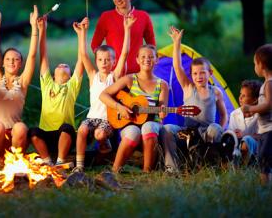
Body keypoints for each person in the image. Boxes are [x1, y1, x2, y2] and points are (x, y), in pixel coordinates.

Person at [74, 14, 136, 172]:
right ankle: (79, 166)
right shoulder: (93, 76)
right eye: (100, 60)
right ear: (96, 61)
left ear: (113, 62)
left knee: (99, 134)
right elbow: (83, 55)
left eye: (108, 60)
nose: (104, 63)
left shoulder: (114, 77)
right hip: (91, 117)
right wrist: (82, 34)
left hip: (108, 119)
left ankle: (104, 143)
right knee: (81, 130)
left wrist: (127, 29)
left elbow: (125, 53)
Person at [163, 26, 228, 173]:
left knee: (215, 128)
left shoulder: (216, 92)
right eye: (195, 74)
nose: (199, 77)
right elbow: (177, 66)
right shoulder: (188, 87)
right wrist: (177, 42)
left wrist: (221, 129)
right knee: (167, 129)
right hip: (188, 132)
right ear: (191, 75)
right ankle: (172, 168)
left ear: (210, 73)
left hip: (207, 132)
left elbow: (224, 114)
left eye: (202, 73)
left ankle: (211, 160)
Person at [100, 45, 169, 173]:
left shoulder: (163, 84)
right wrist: (119, 107)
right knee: (132, 132)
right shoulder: (129, 79)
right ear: (137, 59)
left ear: (156, 59)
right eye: (143, 57)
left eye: (150, 57)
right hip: (130, 122)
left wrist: (163, 111)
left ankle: (147, 171)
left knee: (148, 126)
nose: (146, 59)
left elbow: (161, 110)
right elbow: (103, 95)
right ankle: (115, 170)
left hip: (153, 124)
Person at [0, 6, 38, 170]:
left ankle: (15, 165)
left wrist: (34, 28)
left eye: (16, 59)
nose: (11, 62)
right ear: (3, 62)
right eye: (8, 59)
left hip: (15, 138)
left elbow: (32, 55)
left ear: (20, 64)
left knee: (21, 127)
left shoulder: (22, 82)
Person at [29, 17, 84, 166]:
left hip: (65, 136)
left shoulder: (72, 86)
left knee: (67, 128)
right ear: (52, 75)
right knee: (33, 132)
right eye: (59, 65)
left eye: (66, 66)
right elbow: (43, 55)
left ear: (71, 75)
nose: (62, 65)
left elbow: (81, 60)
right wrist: (43, 30)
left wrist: (81, 35)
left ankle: (60, 161)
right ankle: (47, 161)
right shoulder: (47, 83)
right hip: (46, 135)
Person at [91, 0, 156, 74]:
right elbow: (95, 45)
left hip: (138, 74)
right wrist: (104, 63)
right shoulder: (106, 17)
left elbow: (152, 46)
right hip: (114, 75)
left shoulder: (143, 16)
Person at [242, 44, 272, 185]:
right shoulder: (267, 83)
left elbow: (269, 104)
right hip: (265, 129)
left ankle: (265, 186)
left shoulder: (269, 84)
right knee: (263, 157)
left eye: (255, 63)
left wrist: (251, 108)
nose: (254, 66)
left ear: (261, 65)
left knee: (264, 158)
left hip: (269, 130)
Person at [225, 80, 261, 165]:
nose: (240, 97)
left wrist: (243, 135)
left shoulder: (260, 115)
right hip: (238, 145)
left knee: (247, 139)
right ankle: (233, 165)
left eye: (244, 96)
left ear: (255, 100)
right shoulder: (234, 114)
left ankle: (245, 167)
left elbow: (264, 136)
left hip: (256, 149)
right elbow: (231, 133)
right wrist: (232, 134)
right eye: (240, 94)